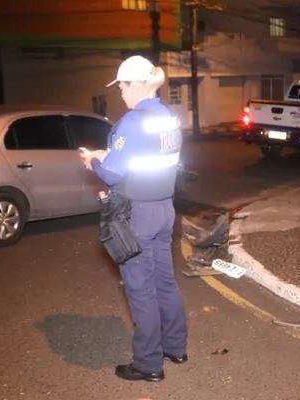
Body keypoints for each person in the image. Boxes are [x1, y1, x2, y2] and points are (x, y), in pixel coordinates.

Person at [80, 55, 188, 382]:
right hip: (165, 210)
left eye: (122, 86)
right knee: (165, 283)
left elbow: (112, 174)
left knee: (140, 289)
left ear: (133, 84)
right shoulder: (169, 116)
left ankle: (148, 364)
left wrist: (94, 163)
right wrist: (107, 156)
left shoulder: (132, 120)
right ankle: (176, 347)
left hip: (137, 214)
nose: (121, 93)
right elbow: (147, 158)